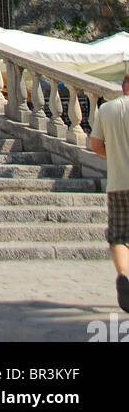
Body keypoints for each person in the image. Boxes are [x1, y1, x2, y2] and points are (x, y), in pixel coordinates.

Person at [90, 73, 129, 313]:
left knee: (119, 235)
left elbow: (96, 145)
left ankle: (124, 274)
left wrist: (114, 156)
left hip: (117, 182)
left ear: (124, 87)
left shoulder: (106, 109)